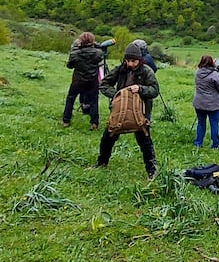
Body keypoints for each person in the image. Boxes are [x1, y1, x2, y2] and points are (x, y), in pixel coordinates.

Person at [96, 43, 160, 178]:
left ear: (139, 60)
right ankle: (102, 163)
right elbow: (104, 85)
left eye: (133, 61)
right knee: (108, 137)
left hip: (140, 112)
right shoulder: (120, 69)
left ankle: (152, 171)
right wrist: (118, 95)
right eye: (128, 60)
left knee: (145, 141)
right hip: (120, 111)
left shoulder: (147, 71)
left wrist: (141, 89)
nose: (130, 64)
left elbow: (155, 90)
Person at [64, 32, 107, 130]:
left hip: (77, 81)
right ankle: (94, 123)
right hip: (92, 81)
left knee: (70, 99)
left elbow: (69, 66)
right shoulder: (98, 53)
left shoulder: (75, 54)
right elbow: (101, 58)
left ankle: (66, 121)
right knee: (94, 102)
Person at [192, 55, 219, 149]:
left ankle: (198, 143)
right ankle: (215, 145)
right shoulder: (214, 74)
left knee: (201, 123)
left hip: (199, 103)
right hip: (212, 104)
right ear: (212, 63)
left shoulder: (198, 73)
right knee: (214, 123)